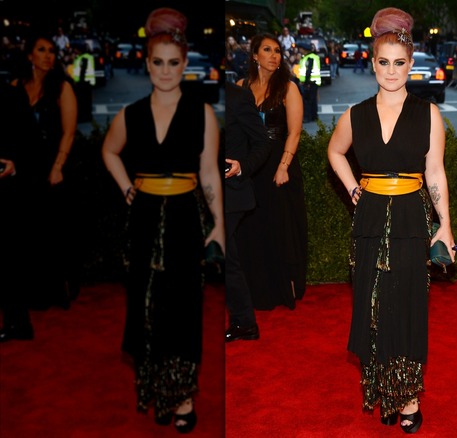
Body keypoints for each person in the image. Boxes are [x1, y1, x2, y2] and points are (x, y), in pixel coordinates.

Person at [327, 7, 456, 434]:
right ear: (372, 61)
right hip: (368, 221)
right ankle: (383, 386)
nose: (391, 70)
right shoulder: (356, 114)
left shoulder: (428, 114)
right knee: (372, 309)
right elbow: (334, 151)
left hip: (409, 219)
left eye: (399, 62)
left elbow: (435, 172)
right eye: (383, 61)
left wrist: (446, 225)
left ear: (411, 63)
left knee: (407, 308)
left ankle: (410, 397)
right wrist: (352, 188)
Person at [100, 7, 223, 433]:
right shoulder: (131, 114)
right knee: (147, 308)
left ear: (185, 64)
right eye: (158, 62)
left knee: (184, 309)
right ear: (146, 62)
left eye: (174, 62)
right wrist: (126, 187)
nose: (165, 71)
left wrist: (219, 227)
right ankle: (157, 388)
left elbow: (209, 173)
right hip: (144, 218)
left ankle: (184, 396)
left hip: (187, 217)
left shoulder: (201, 113)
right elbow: (108, 151)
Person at [235, 33, 308, 311]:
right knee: (252, 228)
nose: (274, 55)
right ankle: (255, 289)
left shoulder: (288, 88)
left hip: (279, 167)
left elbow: (295, 132)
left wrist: (283, 166)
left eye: (277, 50)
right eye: (267, 50)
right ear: (254, 55)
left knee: (281, 228)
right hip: (250, 167)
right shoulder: (241, 87)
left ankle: (283, 287)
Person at [11, 32, 78, 310]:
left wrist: (58, 167)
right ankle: (31, 292)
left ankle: (59, 290)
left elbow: (69, 132)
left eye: (51, 50)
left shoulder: (62, 87)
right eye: (41, 49)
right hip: (22, 169)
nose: (48, 55)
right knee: (26, 233)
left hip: (53, 168)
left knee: (54, 233)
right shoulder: (15, 87)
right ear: (29, 56)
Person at [224, 81, 272, 342]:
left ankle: (244, 321)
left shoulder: (237, 97)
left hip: (231, 192)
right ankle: (245, 323)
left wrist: (242, 166)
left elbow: (262, 143)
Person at [0, 82, 37, 342]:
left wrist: (16, 165)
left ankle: (18, 325)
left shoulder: (11, 95)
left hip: (6, 192)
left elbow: (32, 142)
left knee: (8, 261)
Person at [297, 40, 321, 123]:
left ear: (304, 49)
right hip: (313, 81)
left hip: (310, 82)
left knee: (307, 100)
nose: (299, 50)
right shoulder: (312, 57)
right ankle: (314, 116)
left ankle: (307, 117)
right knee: (313, 99)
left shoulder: (309, 58)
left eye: (300, 49)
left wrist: (306, 82)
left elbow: (308, 71)